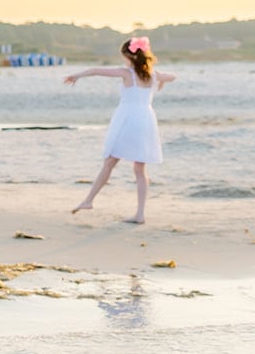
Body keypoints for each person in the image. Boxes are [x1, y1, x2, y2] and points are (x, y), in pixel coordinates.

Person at [63, 36, 176, 225]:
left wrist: (77, 75)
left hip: (129, 118)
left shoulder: (127, 73)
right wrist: (162, 80)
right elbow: (173, 76)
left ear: (128, 56)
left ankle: (89, 200)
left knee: (109, 162)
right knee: (139, 169)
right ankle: (140, 214)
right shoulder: (153, 75)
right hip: (146, 119)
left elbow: (96, 70)